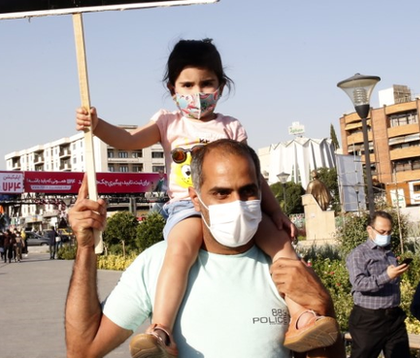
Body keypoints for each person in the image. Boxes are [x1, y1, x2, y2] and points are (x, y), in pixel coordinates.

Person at [76, 39, 336, 356]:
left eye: (207, 83)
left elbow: (255, 176)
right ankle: (161, 330)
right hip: (186, 207)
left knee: (282, 247)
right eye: (187, 85)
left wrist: (276, 212)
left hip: (235, 205)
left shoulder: (231, 127)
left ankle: (302, 318)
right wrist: (97, 125)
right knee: (180, 251)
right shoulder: (167, 122)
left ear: (221, 86)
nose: (197, 93)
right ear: (172, 89)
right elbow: (129, 141)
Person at [65, 140, 345, 358]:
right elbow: (83, 350)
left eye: (247, 191)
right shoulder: (156, 264)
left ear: (261, 193)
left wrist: (323, 304)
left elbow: (321, 350)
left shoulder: (286, 268)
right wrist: (86, 248)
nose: (237, 203)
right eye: (221, 193)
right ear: (196, 200)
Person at [345, 211, 411, 358]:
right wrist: (387, 276)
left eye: (389, 232)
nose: (386, 235)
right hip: (369, 319)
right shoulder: (359, 254)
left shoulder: (389, 253)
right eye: (382, 231)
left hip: (393, 317)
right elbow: (359, 283)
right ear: (370, 230)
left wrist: (396, 274)